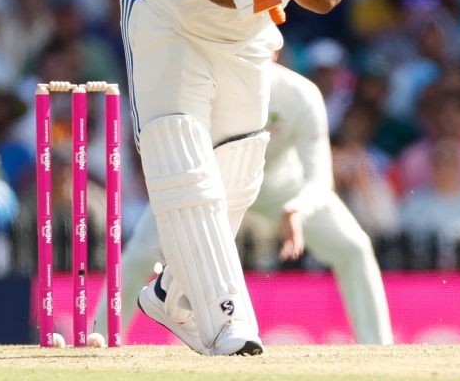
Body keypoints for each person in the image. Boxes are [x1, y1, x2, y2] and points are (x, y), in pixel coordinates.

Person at [119, 0, 357, 355]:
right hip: (171, 27)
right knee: (186, 164)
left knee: (240, 179)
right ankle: (229, 322)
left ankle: (171, 290)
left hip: (246, 45)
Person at [94, 63, 394, 345]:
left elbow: (319, 178)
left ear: (275, 51)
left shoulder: (298, 94)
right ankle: (100, 337)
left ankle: (379, 348)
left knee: (354, 248)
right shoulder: (209, 85)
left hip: (282, 190)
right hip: (214, 187)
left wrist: (297, 207)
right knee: (138, 253)